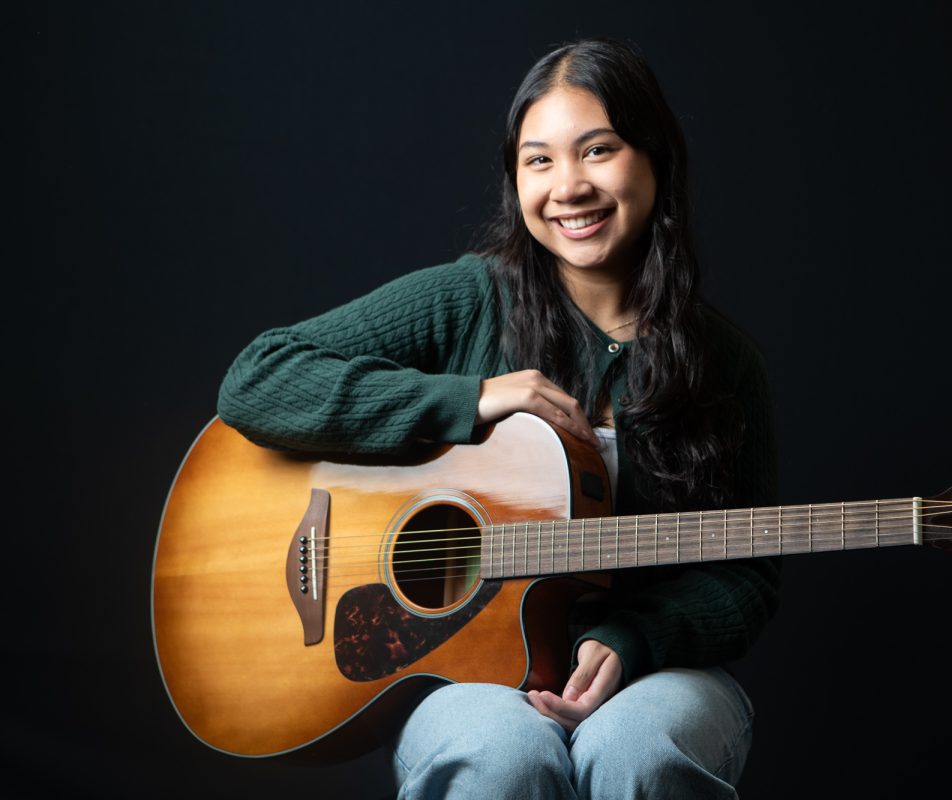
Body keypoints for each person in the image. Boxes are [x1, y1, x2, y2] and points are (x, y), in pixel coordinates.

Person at [218, 38, 780, 799]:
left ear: (655, 159)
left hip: (654, 671)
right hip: (469, 674)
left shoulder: (724, 363)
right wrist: (467, 400)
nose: (569, 186)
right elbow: (259, 377)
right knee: (498, 757)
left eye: (598, 150)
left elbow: (746, 575)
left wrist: (632, 639)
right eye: (539, 160)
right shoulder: (468, 299)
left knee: (640, 749)